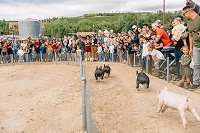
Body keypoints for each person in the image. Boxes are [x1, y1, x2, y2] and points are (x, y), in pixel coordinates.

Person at [182, 5, 200, 90]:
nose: (183, 16)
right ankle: (196, 82)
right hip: (196, 46)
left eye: (183, 14)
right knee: (196, 65)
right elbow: (191, 36)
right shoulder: (189, 23)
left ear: (188, 12)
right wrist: (191, 48)